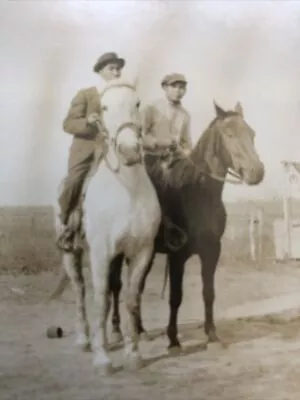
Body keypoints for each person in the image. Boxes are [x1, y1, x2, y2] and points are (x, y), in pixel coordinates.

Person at [57, 52, 125, 251]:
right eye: (111, 68)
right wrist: (87, 121)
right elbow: (68, 124)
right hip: (86, 152)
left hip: (114, 151)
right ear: (101, 71)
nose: (116, 72)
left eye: (118, 68)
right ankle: (66, 225)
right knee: (74, 181)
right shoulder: (86, 94)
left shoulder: (124, 95)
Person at [141, 73, 193, 251]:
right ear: (164, 87)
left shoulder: (185, 115)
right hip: (152, 157)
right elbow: (141, 134)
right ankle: (166, 226)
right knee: (159, 185)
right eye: (174, 87)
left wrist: (185, 152)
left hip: (175, 160)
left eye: (182, 87)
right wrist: (159, 143)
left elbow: (187, 142)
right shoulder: (151, 108)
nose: (179, 91)